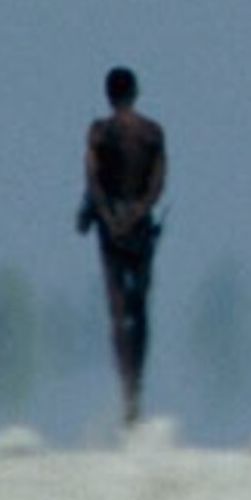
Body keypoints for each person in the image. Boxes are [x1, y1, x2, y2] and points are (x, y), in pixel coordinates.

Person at [77, 65, 168, 426]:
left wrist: (105, 216)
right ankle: (137, 386)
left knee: (117, 309)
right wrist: (137, 214)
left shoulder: (100, 131)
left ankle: (126, 389)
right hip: (140, 222)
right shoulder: (152, 132)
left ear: (108, 94)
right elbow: (158, 184)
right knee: (140, 307)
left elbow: (92, 180)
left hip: (110, 223)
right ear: (135, 91)